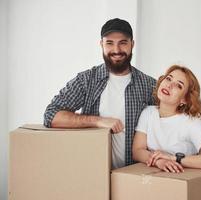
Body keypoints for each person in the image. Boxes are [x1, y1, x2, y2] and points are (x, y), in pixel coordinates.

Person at [44, 18, 156, 169]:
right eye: (109, 43)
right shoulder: (87, 80)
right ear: (101, 44)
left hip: (135, 177)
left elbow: (169, 125)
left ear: (132, 44)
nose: (116, 50)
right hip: (93, 174)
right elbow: (51, 115)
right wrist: (97, 121)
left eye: (123, 42)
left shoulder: (149, 85)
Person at [132, 65, 201, 173]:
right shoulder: (148, 113)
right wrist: (159, 162)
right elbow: (137, 151)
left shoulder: (190, 122)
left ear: (185, 99)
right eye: (168, 78)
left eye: (178, 85)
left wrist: (173, 158)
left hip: (182, 182)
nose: (169, 85)